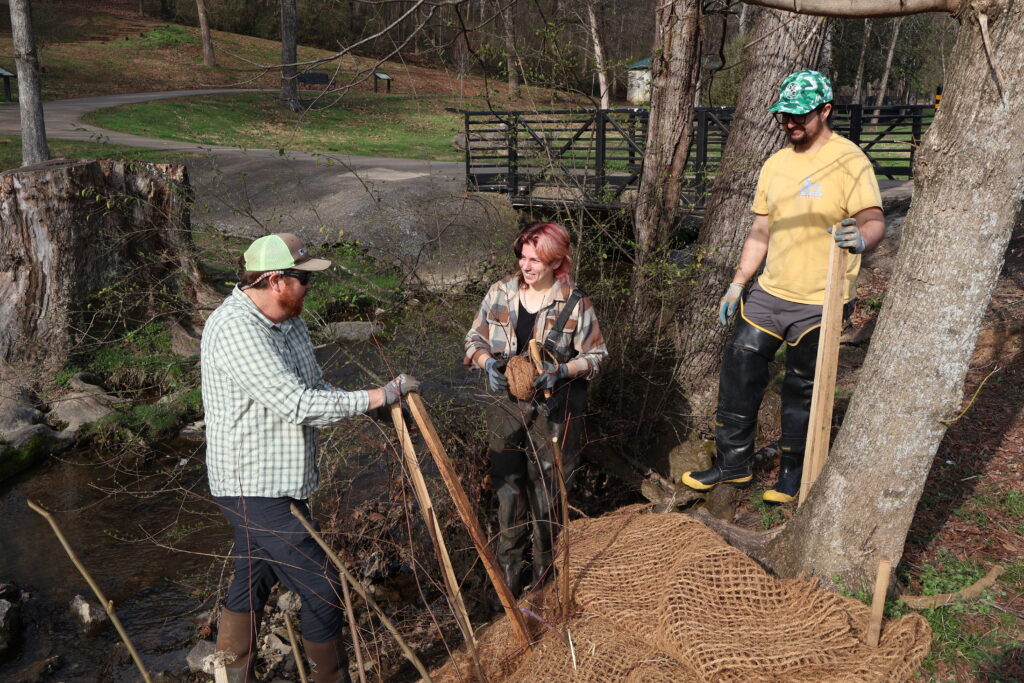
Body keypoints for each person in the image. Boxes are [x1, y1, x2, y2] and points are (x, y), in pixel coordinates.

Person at [201, 233, 418, 683]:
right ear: (276, 280)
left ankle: (228, 677)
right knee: (324, 588)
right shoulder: (235, 329)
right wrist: (377, 393)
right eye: (304, 279)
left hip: (285, 483)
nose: (311, 288)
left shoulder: (290, 321)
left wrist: (373, 404)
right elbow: (297, 405)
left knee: (251, 581)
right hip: (251, 487)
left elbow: (315, 389)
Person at [682, 70, 886, 504]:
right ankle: (732, 463)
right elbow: (760, 232)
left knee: (802, 386)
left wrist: (862, 238)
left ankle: (792, 472)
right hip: (770, 294)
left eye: (799, 116)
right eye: (784, 117)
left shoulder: (850, 161)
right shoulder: (775, 165)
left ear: (825, 110)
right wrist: (737, 284)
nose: (790, 124)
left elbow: (873, 218)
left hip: (822, 301)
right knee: (739, 370)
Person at [464, 222, 607, 607]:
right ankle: (511, 573)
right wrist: (486, 363)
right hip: (504, 409)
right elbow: (473, 338)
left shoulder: (576, 303)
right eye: (523, 257)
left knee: (547, 493)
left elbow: (597, 357)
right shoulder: (499, 292)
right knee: (508, 489)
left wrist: (563, 371)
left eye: (536, 260)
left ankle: (545, 575)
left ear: (557, 260)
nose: (526, 266)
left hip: (554, 412)